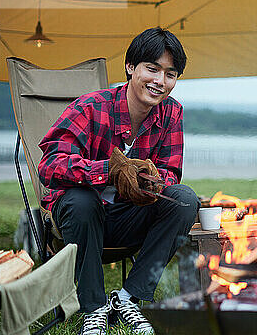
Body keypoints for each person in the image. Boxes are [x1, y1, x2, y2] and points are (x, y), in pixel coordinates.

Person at [38, 27, 200, 335]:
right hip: (81, 218)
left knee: (184, 199)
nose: (160, 82)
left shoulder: (172, 112)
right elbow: (50, 166)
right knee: (81, 200)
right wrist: (109, 170)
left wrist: (151, 183)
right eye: (152, 69)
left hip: (129, 217)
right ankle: (94, 309)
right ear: (130, 67)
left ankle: (129, 298)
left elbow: (170, 174)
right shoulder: (90, 106)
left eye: (170, 74)